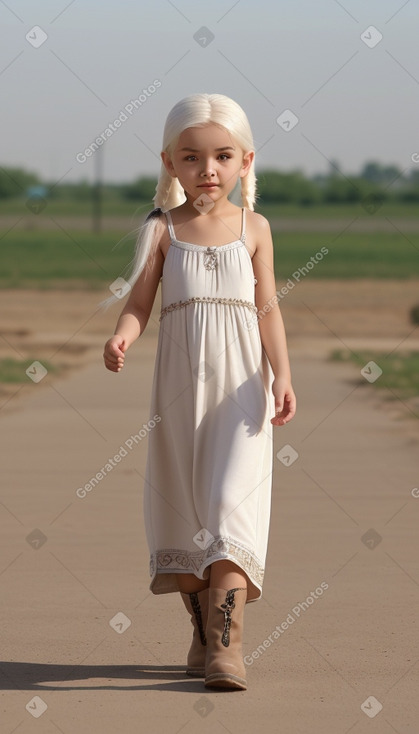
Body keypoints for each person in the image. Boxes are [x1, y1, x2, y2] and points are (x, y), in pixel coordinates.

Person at [103, 93, 296, 690]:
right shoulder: (162, 230)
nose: (207, 169)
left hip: (242, 391)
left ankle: (227, 647)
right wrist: (121, 336)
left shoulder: (254, 228)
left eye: (222, 156)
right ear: (169, 162)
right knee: (190, 512)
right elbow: (139, 303)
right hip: (181, 394)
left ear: (245, 161)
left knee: (229, 505)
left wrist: (283, 374)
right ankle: (202, 631)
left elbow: (267, 309)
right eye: (191, 157)